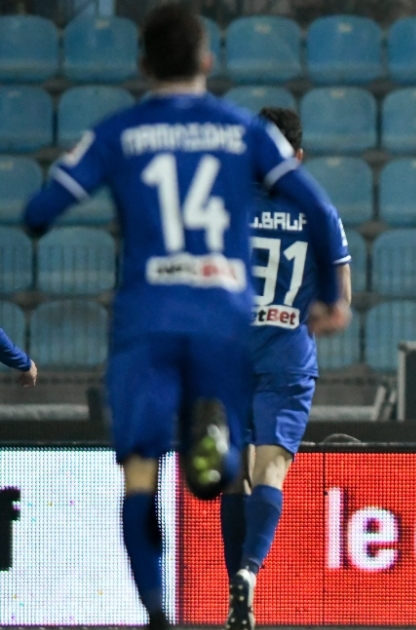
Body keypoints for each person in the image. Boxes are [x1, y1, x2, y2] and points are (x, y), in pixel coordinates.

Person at [21, 4, 348, 628]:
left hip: (146, 321)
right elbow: (313, 202)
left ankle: (155, 609)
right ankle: (221, 468)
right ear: (207, 60)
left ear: (143, 64)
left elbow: (40, 212)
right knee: (240, 461)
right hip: (220, 322)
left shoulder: (119, 131)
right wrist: (332, 293)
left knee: (141, 471)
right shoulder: (240, 131)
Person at [221, 107, 353, 630]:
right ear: (298, 156)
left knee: (234, 476)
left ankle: (234, 592)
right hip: (287, 358)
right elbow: (340, 301)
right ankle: (250, 572)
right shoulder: (319, 211)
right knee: (270, 471)